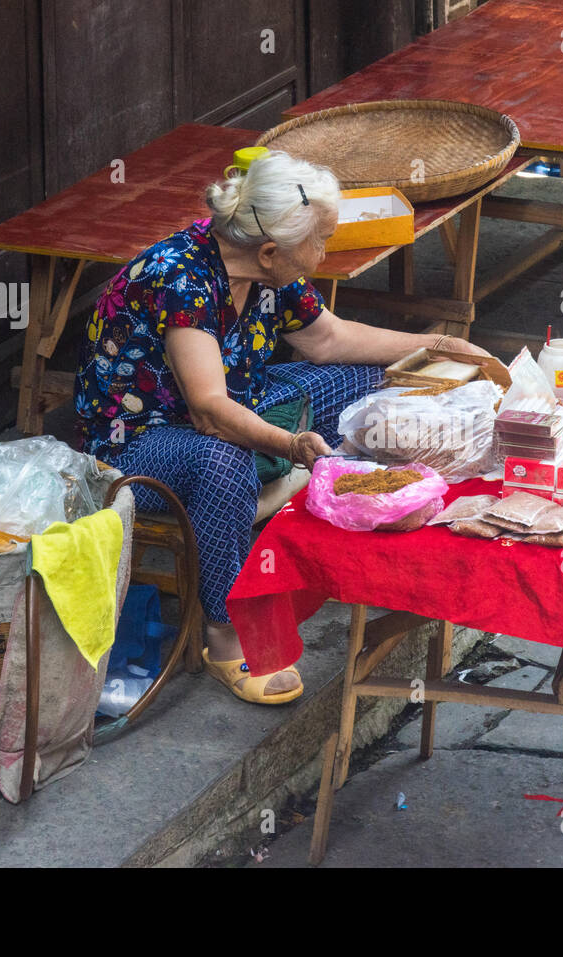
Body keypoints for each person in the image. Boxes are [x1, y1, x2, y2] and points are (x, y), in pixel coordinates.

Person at [74, 149, 490, 704]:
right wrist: (293, 445)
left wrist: (434, 344)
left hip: (239, 396)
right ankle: (223, 633)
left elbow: (329, 340)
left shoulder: (266, 259)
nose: (324, 252)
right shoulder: (182, 280)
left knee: (360, 378)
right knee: (221, 459)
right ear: (270, 251)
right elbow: (208, 412)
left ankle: (281, 487)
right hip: (143, 441)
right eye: (320, 242)